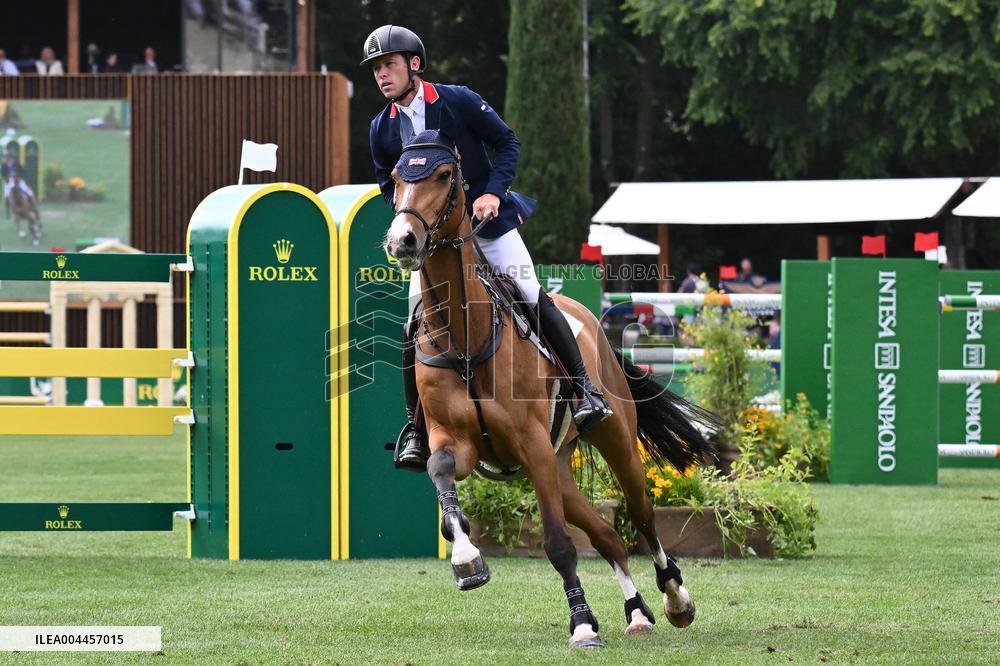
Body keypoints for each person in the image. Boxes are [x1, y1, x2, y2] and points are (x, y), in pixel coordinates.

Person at [362, 24, 613, 471]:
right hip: (437, 243)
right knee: (412, 320)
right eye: (376, 68)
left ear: (414, 64)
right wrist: (413, 221)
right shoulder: (381, 128)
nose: (382, 75)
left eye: (389, 65)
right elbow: (388, 184)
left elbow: (507, 143)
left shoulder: (456, 100)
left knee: (530, 293)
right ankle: (415, 429)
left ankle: (585, 390)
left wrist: (493, 192)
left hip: (487, 225)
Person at [2, 154, 39, 220]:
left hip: (18, 180)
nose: (6, 159)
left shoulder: (16, 163)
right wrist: (7, 178)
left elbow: (22, 171)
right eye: (6, 158)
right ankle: (8, 211)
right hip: (9, 182)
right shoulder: (4, 165)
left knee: (28, 191)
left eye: (7, 157)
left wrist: (19, 177)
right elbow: (3, 174)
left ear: (10, 158)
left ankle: (33, 206)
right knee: (7, 195)